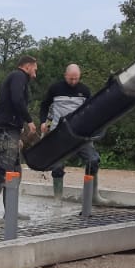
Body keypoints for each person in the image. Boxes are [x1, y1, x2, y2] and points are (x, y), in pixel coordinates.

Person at [0, 54, 38, 223]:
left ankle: (11, 210)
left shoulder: (18, 78)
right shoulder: (18, 76)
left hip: (11, 131)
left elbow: (13, 106)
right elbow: (17, 100)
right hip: (5, 130)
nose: (35, 73)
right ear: (27, 66)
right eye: (35, 69)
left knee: (15, 171)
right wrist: (29, 121)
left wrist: (18, 133)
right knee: (4, 170)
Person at [39, 62, 99, 198]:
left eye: (76, 78)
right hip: (58, 133)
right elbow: (44, 106)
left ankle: (90, 196)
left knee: (93, 160)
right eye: (71, 78)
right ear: (65, 75)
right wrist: (43, 122)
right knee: (57, 166)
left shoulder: (85, 90)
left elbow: (91, 111)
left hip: (79, 133)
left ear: (80, 76)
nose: (73, 81)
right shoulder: (55, 89)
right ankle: (58, 199)